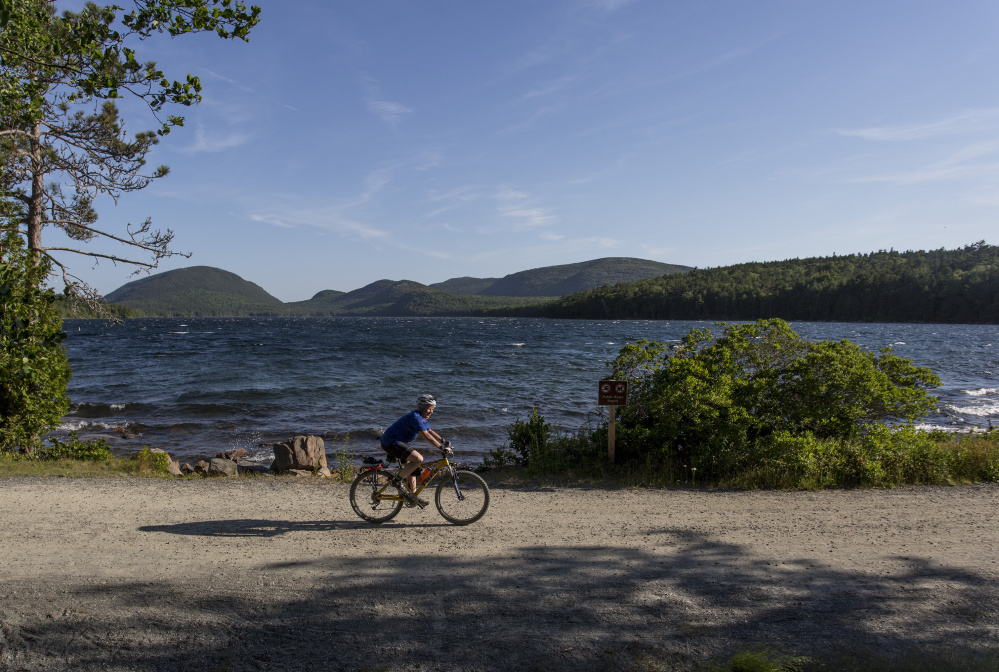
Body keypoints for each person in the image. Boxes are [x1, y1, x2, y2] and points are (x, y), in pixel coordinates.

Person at [380, 394, 450, 507]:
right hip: (390, 442)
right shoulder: (415, 417)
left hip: (397, 442)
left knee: (411, 469)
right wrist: (441, 447)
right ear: (422, 407)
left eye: (432, 409)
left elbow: (430, 431)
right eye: (429, 409)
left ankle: (412, 497)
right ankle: (396, 480)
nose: (431, 412)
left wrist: (443, 441)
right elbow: (426, 435)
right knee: (418, 459)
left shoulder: (422, 418)